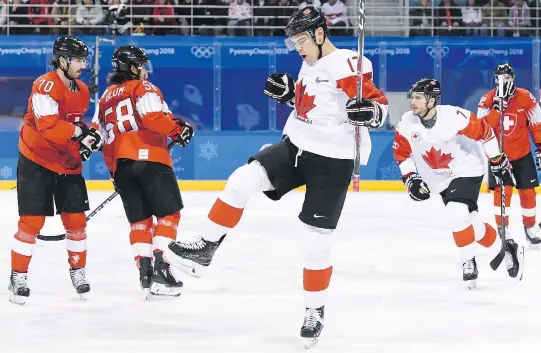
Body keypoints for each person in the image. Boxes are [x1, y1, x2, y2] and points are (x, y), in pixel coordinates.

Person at [163, 6, 388, 348]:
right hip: (296, 146)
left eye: (301, 39)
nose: (297, 47)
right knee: (242, 179)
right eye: (293, 41)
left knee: (316, 243)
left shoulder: (347, 62)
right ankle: (206, 246)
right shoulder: (308, 62)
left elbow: (378, 105)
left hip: (332, 160)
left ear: (319, 34)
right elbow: (315, 106)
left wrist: (372, 112)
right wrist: (288, 95)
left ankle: (314, 309)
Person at [393, 78, 525, 289]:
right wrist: (410, 178)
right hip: (439, 180)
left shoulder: (455, 117)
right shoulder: (406, 123)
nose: (413, 102)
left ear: (432, 100)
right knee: (473, 225)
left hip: (467, 169)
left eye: (419, 98)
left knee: (456, 213)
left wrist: (497, 159)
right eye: (413, 97)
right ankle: (507, 247)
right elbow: (402, 154)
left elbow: (485, 133)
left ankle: (468, 261)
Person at [92, 45, 194, 298]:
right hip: (151, 158)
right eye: (142, 66)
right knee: (169, 215)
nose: (145, 71)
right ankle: (162, 269)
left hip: (122, 166)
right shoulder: (143, 87)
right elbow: (152, 118)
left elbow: (101, 137)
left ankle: (145, 273)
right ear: (133, 67)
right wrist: (177, 131)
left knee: (139, 222)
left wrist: (113, 171)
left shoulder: (104, 98)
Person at [9, 36, 103, 305]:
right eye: (78, 60)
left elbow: (75, 125)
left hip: (67, 163)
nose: (83, 65)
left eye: (84, 59)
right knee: (31, 223)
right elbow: (48, 125)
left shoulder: (83, 90)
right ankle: (18, 276)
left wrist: (85, 140)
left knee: (76, 223)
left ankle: (78, 271)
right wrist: (80, 135)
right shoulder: (45, 84)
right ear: (62, 61)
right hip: (36, 160)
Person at [477, 63, 541, 248]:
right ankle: (502, 229)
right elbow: (482, 129)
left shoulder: (525, 97)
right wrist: (497, 109)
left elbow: (536, 124)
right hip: (498, 157)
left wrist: (540, 147)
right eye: (499, 78)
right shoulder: (487, 100)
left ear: (513, 78)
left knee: (528, 193)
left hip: (522, 154)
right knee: (503, 193)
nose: (503, 81)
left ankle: (529, 228)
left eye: (506, 78)